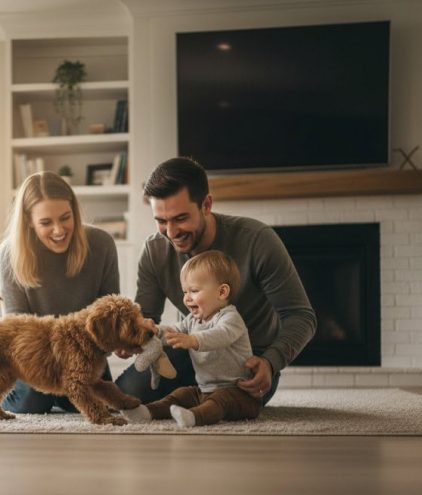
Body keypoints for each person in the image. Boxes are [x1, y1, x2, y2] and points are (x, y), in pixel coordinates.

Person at [116, 157, 316, 406]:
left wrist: (271, 361)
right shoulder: (155, 251)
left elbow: (301, 316)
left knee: (223, 407)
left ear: (206, 204)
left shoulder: (257, 240)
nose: (171, 232)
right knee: (124, 396)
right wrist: (129, 337)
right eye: (161, 221)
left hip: (246, 363)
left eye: (180, 218)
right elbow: (147, 315)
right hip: (192, 352)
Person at [0, 171, 120, 414]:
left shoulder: (102, 244)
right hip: (35, 360)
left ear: (75, 210)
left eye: (65, 218)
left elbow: (109, 313)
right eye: (46, 223)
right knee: (33, 402)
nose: (58, 230)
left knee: (103, 402)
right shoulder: (9, 254)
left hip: (86, 357)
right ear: (29, 220)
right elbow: (16, 330)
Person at [122, 250, 258, 428]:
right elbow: (173, 331)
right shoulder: (193, 319)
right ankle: (149, 412)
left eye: (194, 291)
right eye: (185, 292)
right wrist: (154, 332)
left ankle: (195, 417)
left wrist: (193, 340)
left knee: (220, 401)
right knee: (181, 394)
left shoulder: (231, 318)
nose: (186, 298)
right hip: (204, 390)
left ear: (222, 292)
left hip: (239, 392)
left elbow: (221, 335)